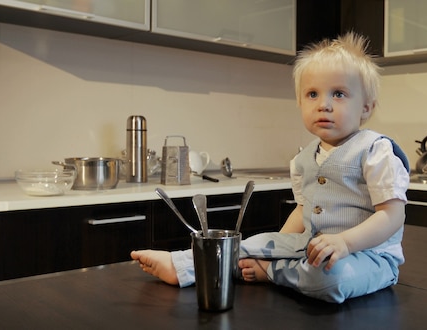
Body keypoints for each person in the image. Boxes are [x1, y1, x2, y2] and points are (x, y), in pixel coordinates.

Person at [131, 32, 410, 303]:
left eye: (338, 94)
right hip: (310, 246)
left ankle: (271, 273)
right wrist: (276, 247)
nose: (323, 104)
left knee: (331, 279)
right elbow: (303, 210)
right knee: (252, 243)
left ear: (366, 108)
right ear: (300, 102)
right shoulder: (303, 160)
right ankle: (181, 265)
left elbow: (392, 215)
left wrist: (345, 243)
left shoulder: (375, 151)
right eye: (312, 94)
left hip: (370, 257)